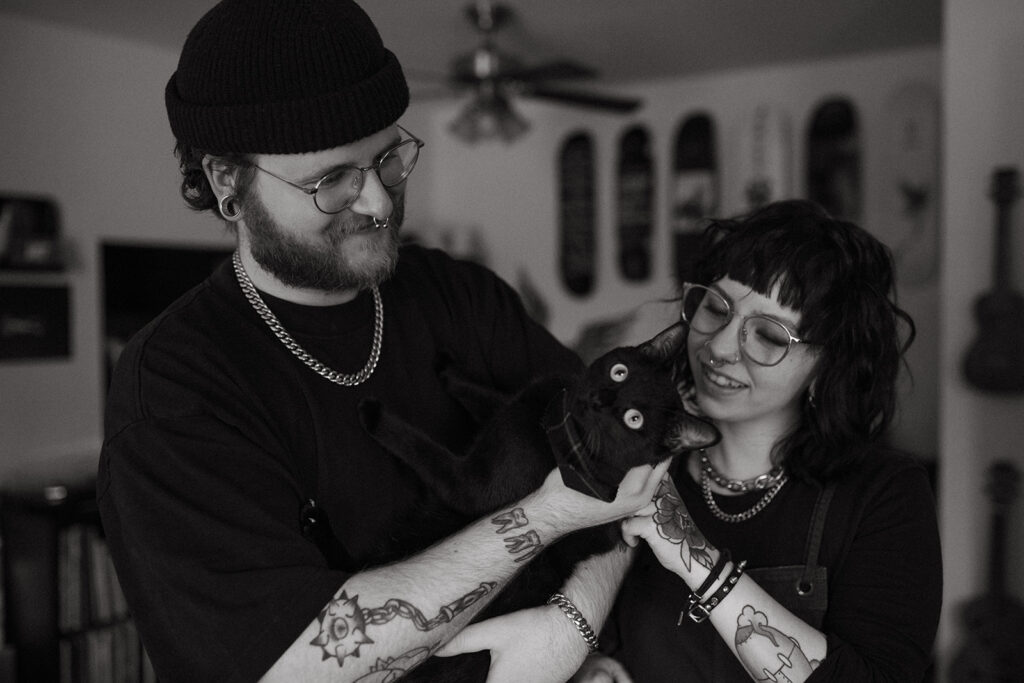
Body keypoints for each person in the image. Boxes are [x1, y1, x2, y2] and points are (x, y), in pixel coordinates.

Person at [96, 1, 671, 681]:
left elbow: (634, 476)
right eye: (331, 181)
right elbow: (292, 662)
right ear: (227, 180)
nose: (376, 201)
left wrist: (568, 625)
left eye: (389, 159)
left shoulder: (459, 295)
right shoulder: (176, 386)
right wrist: (545, 518)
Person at [573, 199, 942, 682]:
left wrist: (696, 559)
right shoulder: (634, 468)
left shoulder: (883, 496)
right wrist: (587, 666)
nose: (720, 347)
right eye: (715, 308)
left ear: (827, 366)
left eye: (769, 336)